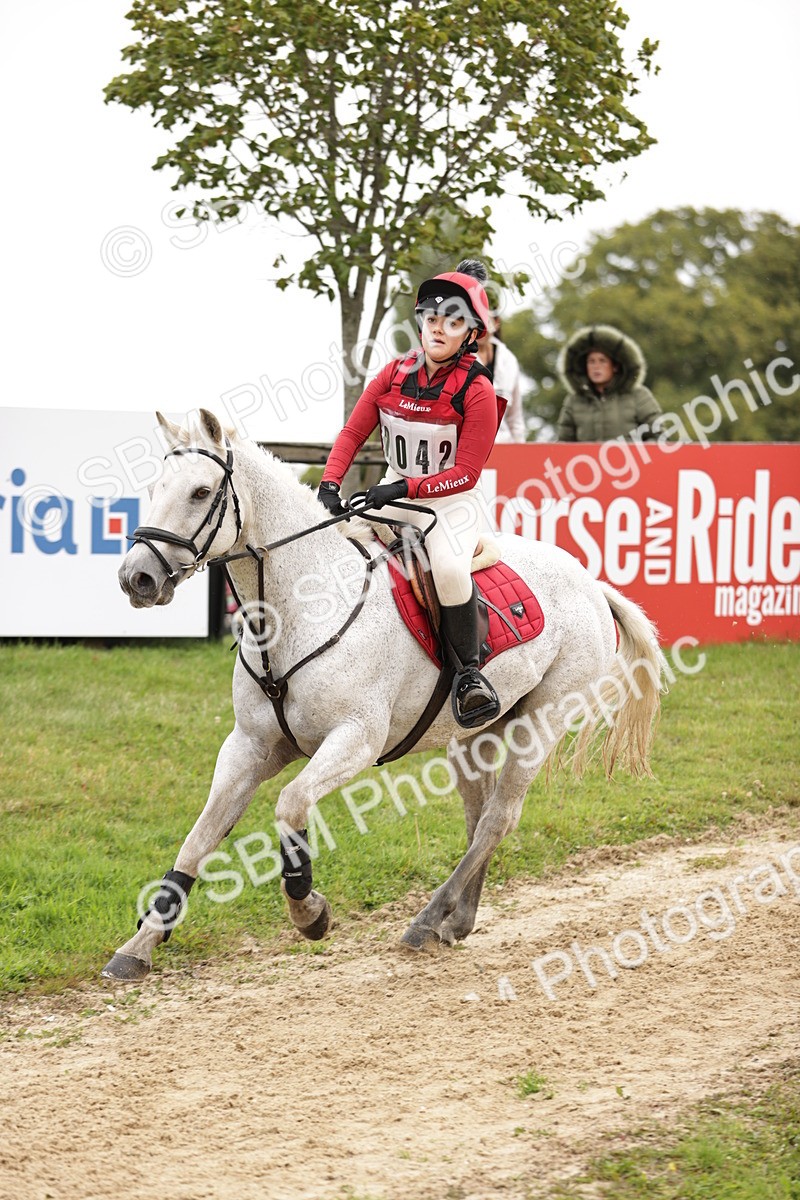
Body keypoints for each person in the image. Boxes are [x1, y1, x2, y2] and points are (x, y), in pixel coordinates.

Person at [317, 259, 505, 728]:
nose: (439, 328)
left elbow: (466, 473)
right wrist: (329, 484)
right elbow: (351, 434)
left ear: (471, 333)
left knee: (447, 570)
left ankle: (469, 676)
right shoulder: (391, 374)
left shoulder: (477, 389)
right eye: (432, 317)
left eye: (454, 320)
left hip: (449, 504)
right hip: (391, 496)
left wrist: (405, 486)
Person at [556, 324, 663, 442]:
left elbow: (658, 437)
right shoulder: (574, 401)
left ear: (615, 366)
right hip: (587, 461)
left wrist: (637, 457)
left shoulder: (639, 396)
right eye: (591, 362)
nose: (596, 367)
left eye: (602, 361)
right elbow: (563, 444)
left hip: (630, 460)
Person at [477, 316, 526, 442]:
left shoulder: (509, 360)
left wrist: (520, 451)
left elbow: (515, 418)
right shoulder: (457, 358)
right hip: (469, 448)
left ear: (496, 322)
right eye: (476, 319)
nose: (481, 327)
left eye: (486, 320)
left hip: (504, 447)